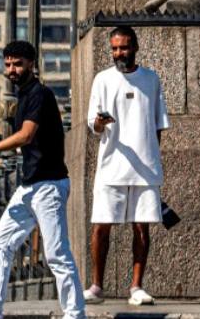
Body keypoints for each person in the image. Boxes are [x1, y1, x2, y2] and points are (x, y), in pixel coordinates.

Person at [0, 41, 84, 319]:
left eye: (17, 64)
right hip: (29, 186)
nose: (11, 70)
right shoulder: (23, 96)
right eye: (7, 64)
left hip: (48, 185)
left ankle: (75, 314)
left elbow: (26, 135)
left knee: (56, 254)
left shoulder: (39, 93)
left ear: (31, 63)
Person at [83, 25, 168, 307]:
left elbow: (158, 125)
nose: (119, 53)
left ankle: (136, 287)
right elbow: (92, 123)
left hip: (145, 168)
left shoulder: (151, 79)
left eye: (124, 47)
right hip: (111, 166)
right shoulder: (102, 79)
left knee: (141, 228)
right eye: (115, 48)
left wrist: (152, 158)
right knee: (100, 228)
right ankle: (97, 286)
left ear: (135, 47)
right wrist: (99, 123)